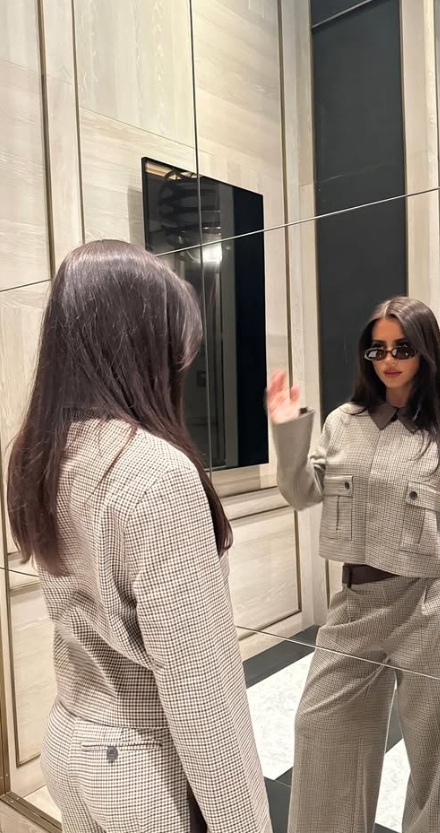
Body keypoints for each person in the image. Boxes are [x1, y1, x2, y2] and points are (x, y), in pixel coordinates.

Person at [8, 240, 272, 833]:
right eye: (177, 346)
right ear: (144, 344)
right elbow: (200, 687)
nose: (182, 364)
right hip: (144, 768)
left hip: (70, 739)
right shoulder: (154, 471)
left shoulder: (39, 453)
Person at [266, 296, 440, 833]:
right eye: (378, 349)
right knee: (320, 730)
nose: (389, 360)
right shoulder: (342, 423)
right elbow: (302, 492)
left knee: (436, 765)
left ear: (426, 351)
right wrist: (286, 430)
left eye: (402, 348)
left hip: (432, 610)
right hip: (356, 603)